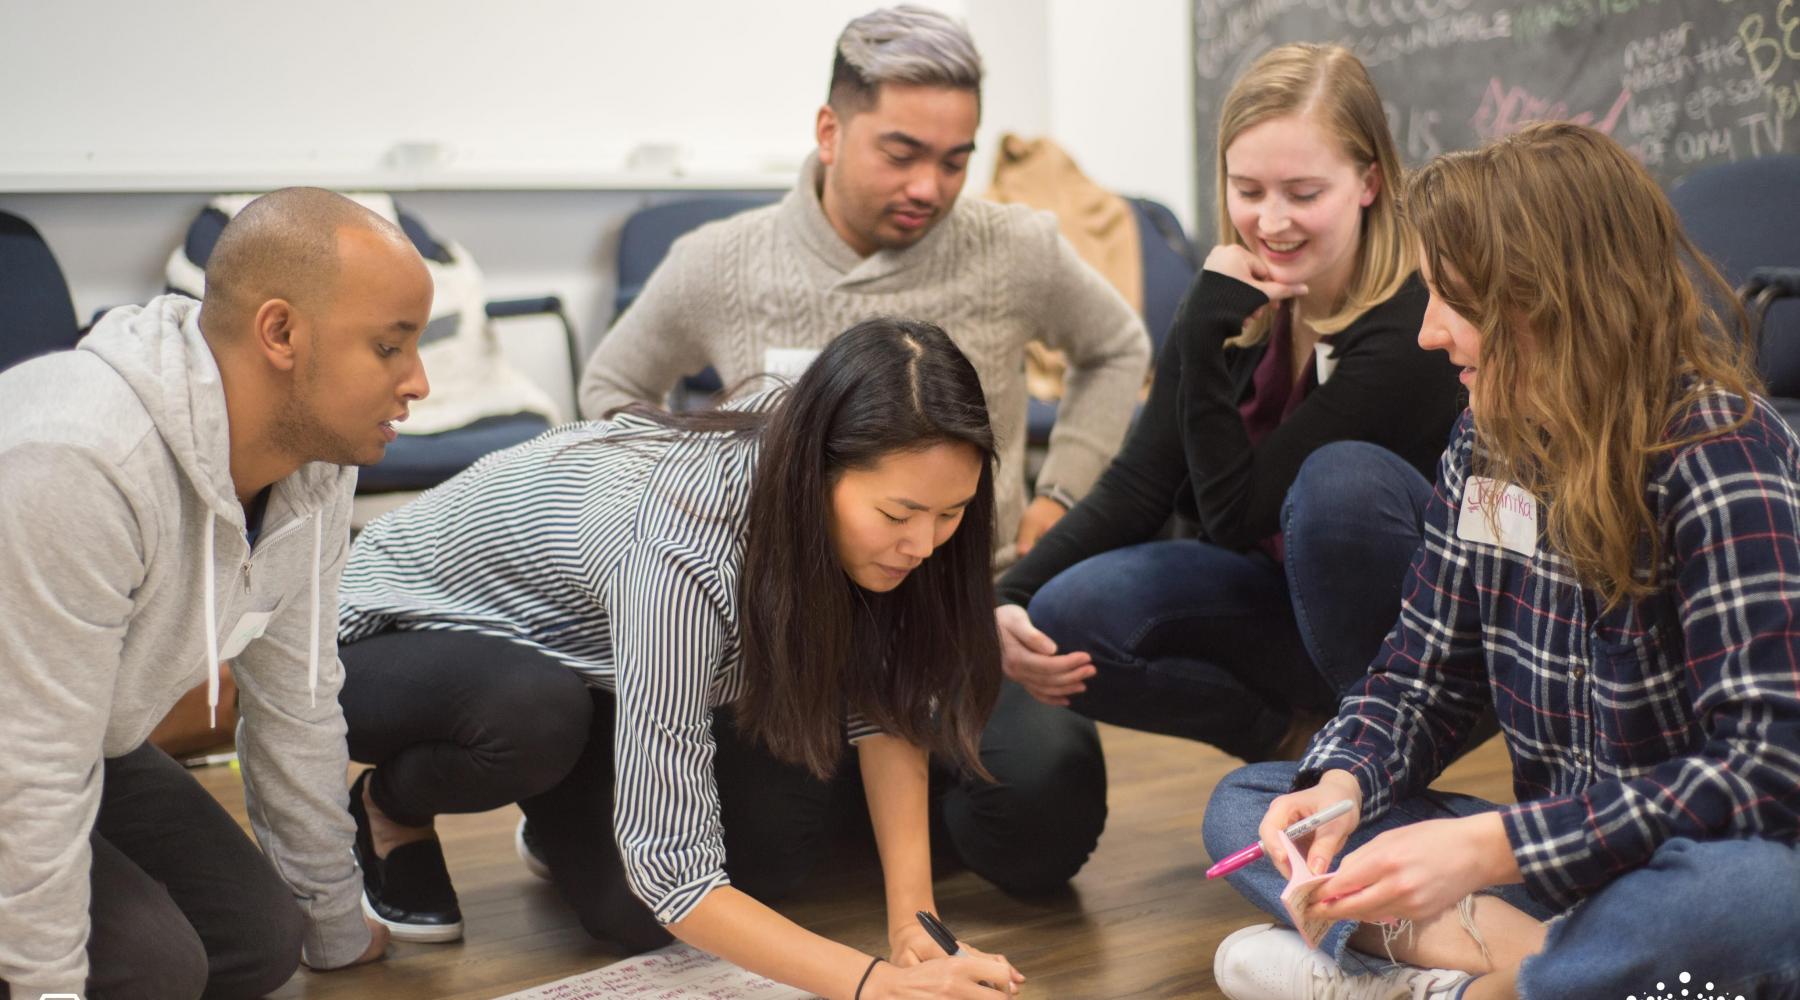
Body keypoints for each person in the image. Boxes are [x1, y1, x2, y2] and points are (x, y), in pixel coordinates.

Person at [1204, 122, 1800, 1000]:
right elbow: (1421, 674)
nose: (1429, 334)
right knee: (1248, 812)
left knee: (1757, 901)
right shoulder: (1486, 441)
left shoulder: (1720, 453)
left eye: (1457, 301)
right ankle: (1541, 975)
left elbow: (1767, 767)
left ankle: (1448, 978)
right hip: (1556, 872)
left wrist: (1491, 848)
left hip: (1678, 864)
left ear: (1559, 300)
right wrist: (1343, 784)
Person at [336, 320, 1038, 999]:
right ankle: (388, 805)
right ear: (818, 470)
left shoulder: (849, 460)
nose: (922, 545)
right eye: (898, 516)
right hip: (388, 631)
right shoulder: (682, 548)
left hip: (585, 652)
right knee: (536, 720)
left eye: (949, 517)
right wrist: (874, 986)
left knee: (710, 871)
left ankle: (561, 807)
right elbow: (676, 876)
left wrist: (914, 928)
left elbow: (885, 705)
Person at [0, 187, 431, 999]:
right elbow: (30, 765)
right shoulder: (80, 461)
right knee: (148, 971)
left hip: (79, 738)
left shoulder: (316, 462)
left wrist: (335, 925)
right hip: (24, 747)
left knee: (264, 941)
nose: (419, 383)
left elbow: (298, 701)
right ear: (280, 332)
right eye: (388, 348)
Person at [994, 43, 1464, 763]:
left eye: (1304, 194)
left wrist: (1204, 330)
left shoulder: (1408, 325)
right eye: (1248, 191)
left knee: (1335, 481)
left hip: (1405, 625)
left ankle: (1376, 749)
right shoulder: (1235, 291)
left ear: (1369, 182)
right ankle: (1287, 742)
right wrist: (1005, 599)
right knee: (1064, 613)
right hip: (1275, 597)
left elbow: (1234, 517)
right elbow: (1142, 479)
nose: (1271, 223)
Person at [577, 4, 1150, 565]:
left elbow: (1116, 347)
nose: (929, 188)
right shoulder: (720, 261)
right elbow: (611, 386)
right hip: (783, 601)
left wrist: (1061, 494)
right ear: (830, 132)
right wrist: (692, 506)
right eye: (901, 155)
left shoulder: (1016, 248)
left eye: (954, 163)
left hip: (971, 598)